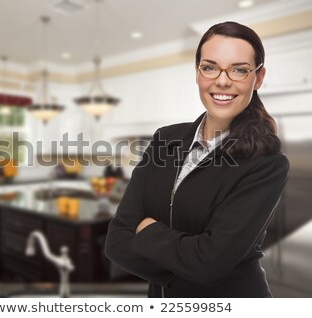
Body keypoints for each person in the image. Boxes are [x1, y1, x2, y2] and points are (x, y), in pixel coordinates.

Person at [105, 21, 290, 298]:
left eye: (239, 69)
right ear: (197, 73)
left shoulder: (267, 164)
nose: (222, 80)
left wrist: (146, 230)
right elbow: (116, 241)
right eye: (210, 67)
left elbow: (208, 263)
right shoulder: (164, 139)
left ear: (258, 78)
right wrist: (181, 271)